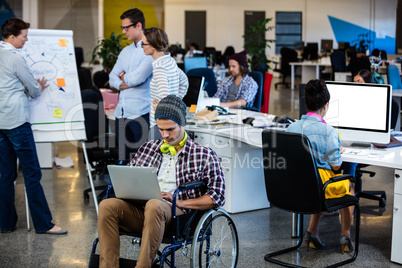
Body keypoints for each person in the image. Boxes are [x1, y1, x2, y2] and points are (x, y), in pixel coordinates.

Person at [97, 95, 225, 268]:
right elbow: (130, 175)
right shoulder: (148, 148)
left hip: (177, 214)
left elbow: (217, 196)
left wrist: (181, 201)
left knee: (155, 205)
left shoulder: (203, 154)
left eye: (170, 129)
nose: (165, 135)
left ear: (182, 124)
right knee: (107, 205)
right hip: (142, 209)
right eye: (161, 129)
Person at [0, 18, 67, 235]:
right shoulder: (15, 57)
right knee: (32, 173)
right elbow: (34, 89)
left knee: (6, 174)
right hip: (17, 121)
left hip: (1, 122)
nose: (26, 40)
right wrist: (37, 87)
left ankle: (5, 224)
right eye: (24, 36)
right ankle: (44, 224)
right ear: (12, 37)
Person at [287, 79, 355, 254]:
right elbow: (336, 165)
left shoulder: (291, 128)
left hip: (296, 187)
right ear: (325, 105)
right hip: (319, 188)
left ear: (306, 102)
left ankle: (312, 232)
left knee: (314, 181)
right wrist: (337, 150)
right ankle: (345, 235)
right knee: (348, 186)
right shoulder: (329, 132)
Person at [109, 8, 153, 162]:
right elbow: (112, 76)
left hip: (140, 113)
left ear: (138, 25)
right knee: (124, 161)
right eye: (123, 27)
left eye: (126, 27)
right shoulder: (125, 51)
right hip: (122, 113)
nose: (123, 31)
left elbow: (137, 79)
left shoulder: (149, 50)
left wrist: (124, 79)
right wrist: (123, 83)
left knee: (141, 162)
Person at [141, 27, 188, 140]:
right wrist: (175, 101)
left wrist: (161, 107)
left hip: (160, 125)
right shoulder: (169, 61)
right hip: (172, 122)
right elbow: (185, 82)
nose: (141, 46)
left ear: (152, 45)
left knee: (154, 156)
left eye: (143, 43)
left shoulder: (159, 68)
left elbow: (164, 94)